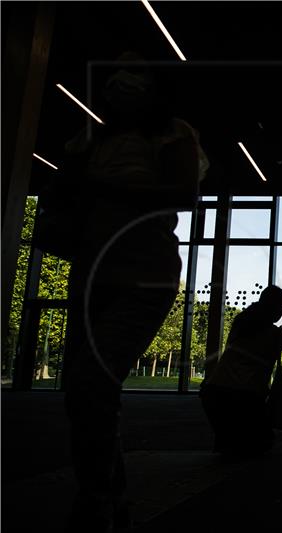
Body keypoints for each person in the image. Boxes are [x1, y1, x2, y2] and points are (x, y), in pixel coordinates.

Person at [62, 54, 207, 532]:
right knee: (88, 391)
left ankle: (97, 499)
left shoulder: (172, 133)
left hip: (143, 271)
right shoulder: (93, 139)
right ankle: (107, 495)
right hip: (93, 269)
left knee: (89, 383)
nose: (122, 83)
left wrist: (100, 186)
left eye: (134, 75)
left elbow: (183, 193)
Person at [200, 286, 282, 459]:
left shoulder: (241, 322)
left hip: (213, 393)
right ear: (275, 309)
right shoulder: (276, 335)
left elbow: (261, 333)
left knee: (232, 443)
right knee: (262, 442)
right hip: (245, 397)